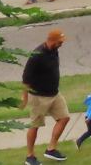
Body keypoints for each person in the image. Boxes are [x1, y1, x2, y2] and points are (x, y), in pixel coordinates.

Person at [21, 29, 69, 164]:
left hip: (54, 93)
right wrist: (24, 98)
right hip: (38, 97)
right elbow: (25, 79)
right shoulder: (37, 56)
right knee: (35, 126)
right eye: (60, 42)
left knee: (64, 118)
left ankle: (51, 149)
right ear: (52, 40)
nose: (62, 44)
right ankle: (30, 157)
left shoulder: (54, 50)